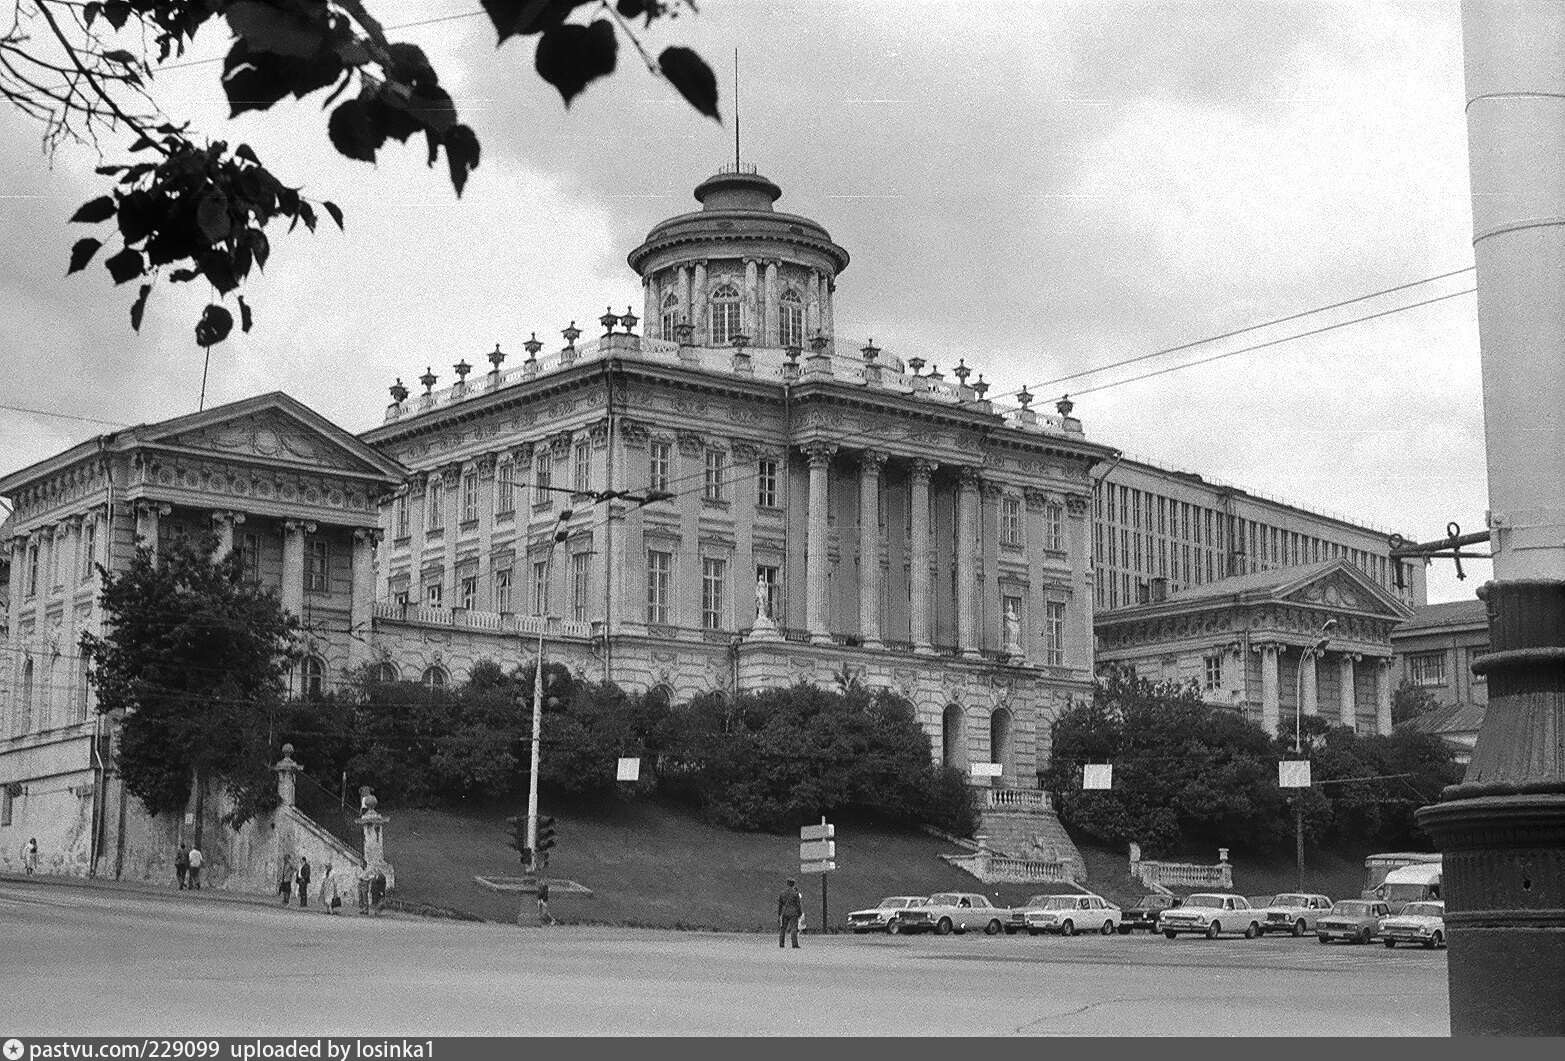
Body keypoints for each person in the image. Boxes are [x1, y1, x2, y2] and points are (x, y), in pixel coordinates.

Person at [778, 876, 803, 948]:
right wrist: (800, 913)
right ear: (793, 884)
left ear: (787, 884)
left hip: (785, 912)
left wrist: (779, 914)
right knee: (794, 928)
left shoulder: (782, 893)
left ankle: (781, 944)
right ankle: (794, 944)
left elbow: (780, 904)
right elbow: (798, 904)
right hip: (793, 913)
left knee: (783, 928)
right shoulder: (795, 893)